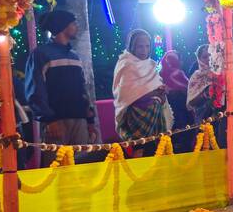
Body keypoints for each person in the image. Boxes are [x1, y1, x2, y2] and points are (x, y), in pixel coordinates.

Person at [25, 9, 97, 162]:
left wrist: (89, 121)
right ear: (63, 26)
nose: (76, 27)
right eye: (73, 23)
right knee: (56, 169)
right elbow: (35, 89)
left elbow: (83, 90)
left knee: (81, 167)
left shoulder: (74, 56)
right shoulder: (41, 54)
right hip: (56, 123)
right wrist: (49, 119)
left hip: (80, 121)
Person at [112, 29, 172, 155]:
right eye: (140, 46)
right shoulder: (126, 64)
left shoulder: (151, 64)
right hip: (136, 116)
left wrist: (161, 91)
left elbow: (155, 85)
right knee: (140, 150)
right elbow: (127, 95)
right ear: (132, 46)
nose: (144, 50)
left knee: (157, 149)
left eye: (147, 46)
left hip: (155, 115)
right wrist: (153, 94)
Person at [159, 49, 192, 152]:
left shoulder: (160, 76)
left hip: (170, 119)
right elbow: (189, 91)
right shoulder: (177, 74)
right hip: (177, 117)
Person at [186, 45, 220, 125]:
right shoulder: (196, 76)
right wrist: (206, 93)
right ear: (199, 60)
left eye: (210, 55)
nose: (208, 59)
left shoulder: (221, 73)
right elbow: (191, 103)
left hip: (221, 116)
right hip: (203, 117)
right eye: (205, 57)